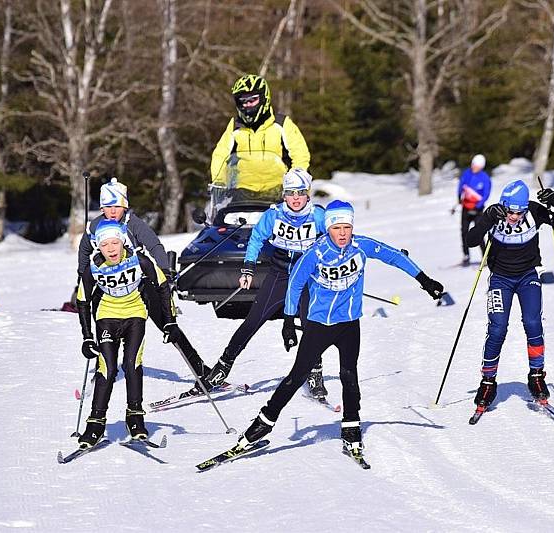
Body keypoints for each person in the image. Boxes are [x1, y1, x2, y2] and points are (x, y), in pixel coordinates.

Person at [233, 200, 444, 458]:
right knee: (296, 377)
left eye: (347, 227)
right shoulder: (315, 253)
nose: (343, 233)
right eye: (337, 228)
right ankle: (261, 425)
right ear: (328, 228)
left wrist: (425, 280)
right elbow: (295, 285)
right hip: (320, 325)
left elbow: (394, 256)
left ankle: (351, 427)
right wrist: (289, 322)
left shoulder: (359, 246)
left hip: (348, 325)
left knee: (349, 375)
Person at [203, 168, 328, 397]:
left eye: (301, 192)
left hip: (307, 278)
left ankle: (314, 371)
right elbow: (256, 239)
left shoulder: (318, 216)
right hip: (279, 274)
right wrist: (248, 268)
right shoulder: (274, 215)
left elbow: (336, 240)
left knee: (311, 325)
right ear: (284, 195)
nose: (296, 198)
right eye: (291, 193)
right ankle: (222, 366)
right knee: (253, 321)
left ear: (308, 194)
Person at [77, 178, 209, 383]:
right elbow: (84, 249)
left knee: (167, 321)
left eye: (117, 206)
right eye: (108, 207)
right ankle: (102, 368)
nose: (112, 212)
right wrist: (83, 273)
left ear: (125, 205)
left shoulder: (134, 224)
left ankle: (201, 370)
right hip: (108, 284)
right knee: (101, 320)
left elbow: (155, 246)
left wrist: (164, 271)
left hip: (140, 283)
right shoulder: (94, 226)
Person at [465, 180, 554, 410]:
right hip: (500, 279)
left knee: (533, 323)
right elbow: (471, 240)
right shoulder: (495, 213)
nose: (514, 217)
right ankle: (488, 381)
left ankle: (536, 376)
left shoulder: (535, 211)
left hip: (528, 277)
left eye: (519, 212)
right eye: (511, 211)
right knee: (497, 328)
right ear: (504, 205)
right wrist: (486, 219)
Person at [75, 220, 176, 448]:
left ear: (123, 241)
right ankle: (96, 423)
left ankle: (135, 417)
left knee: (132, 365)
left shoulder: (139, 261)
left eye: (114, 243)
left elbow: (162, 286)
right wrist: (87, 337)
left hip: (135, 316)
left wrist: (170, 322)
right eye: (105, 245)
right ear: (98, 247)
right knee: (107, 369)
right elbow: (82, 301)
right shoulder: (93, 267)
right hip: (107, 318)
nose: (110, 249)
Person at [210, 74, 310, 201]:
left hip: (278, 191)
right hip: (242, 192)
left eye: (252, 100)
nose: (248, 105)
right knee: (224, 219)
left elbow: (300, 154)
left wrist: (295, 182)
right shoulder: (235, 126)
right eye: (243, 102)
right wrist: (219, 182)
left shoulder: (282, 124)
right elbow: (220, 155)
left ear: (264, 98)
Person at [451, 154, 491, 266]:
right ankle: (466, 256)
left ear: (481, 166)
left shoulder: (484, 178)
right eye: (473, 164)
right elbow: (461, 186)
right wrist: (459, 197)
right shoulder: (467, 173)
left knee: (479, 233)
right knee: (464, 231)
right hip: (466, 207)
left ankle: (485, 256)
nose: (473, 167)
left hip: (477, 210)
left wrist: (478, 206)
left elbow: (486, 194)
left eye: (476, 165)